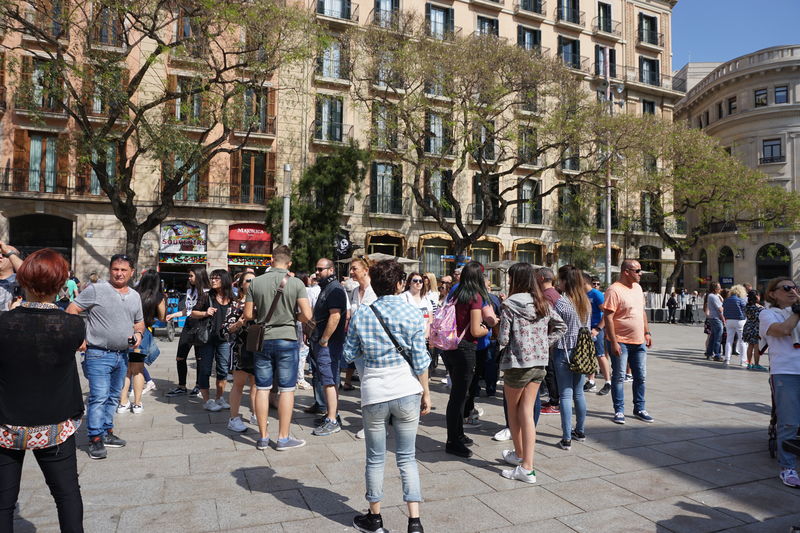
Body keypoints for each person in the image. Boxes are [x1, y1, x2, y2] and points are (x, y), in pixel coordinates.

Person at [343, 260, 431, 533]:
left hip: (374, 391)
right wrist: (426, 393)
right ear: (400, 284)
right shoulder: (412, 313)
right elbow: (421, 360)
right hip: (407, 389)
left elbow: (348, 354)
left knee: (375, 458)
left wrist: (370, 350)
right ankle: (414, 522)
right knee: (407, 458)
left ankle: (375, 518)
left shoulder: (362, 314)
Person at [0, 249, 85, 531]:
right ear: (61, 284)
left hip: (6, 425)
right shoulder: (72, 326)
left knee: (3, 503)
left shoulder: (3, 323)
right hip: (55, 426)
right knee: (66, 495)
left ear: (22, 280)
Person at [67, 254, 144, 460]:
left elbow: (139, 322)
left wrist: (138, 334)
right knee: (99, 396)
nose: (119, 273)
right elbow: (72, 309)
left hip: (123, 355)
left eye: (123, 270)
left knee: (114, 396)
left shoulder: (135, 296)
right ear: (110, 270)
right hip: (98, 354)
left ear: (132, 272)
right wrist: (79, 336)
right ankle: (95, 438)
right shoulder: (96, 289)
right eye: (115, 269)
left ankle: (107, 432)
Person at [497, 262, 566, 481]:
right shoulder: (541, 301)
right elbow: (561, 326)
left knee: (514, 411)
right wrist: (544, 343)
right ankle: (524, 461)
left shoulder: (510, 304)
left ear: (515, 279)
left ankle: (524, 463)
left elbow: (503, 338)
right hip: (539, 362)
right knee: (526, 412)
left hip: (517, 363)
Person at [244, 245, 312, 450]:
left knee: (262, 388)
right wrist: (292, 316)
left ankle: (263, 437)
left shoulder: (255, 282)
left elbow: (248, 315)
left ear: (271, 260)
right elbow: (307, 315)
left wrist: (264, 315)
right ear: (289, 263)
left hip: (263, 339)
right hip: (287, 339)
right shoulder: (296, 283)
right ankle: (283, 438)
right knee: (287, 389)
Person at [442, 261, 498, 458]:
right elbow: (475, 330)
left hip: (450, 347)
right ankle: (453, 441)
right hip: (465, 348)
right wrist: (488, 329)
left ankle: (458, 434)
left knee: (458, 394)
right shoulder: (475, 297)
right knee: (459, 396)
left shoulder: (456, 293)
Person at [758, 277, 800, 488]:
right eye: (786, 288)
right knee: (789, 422)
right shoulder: (768, 314)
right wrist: (797, 312)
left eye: (795, 287)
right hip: (786, 372)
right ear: (773, 293)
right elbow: (783, 330)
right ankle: (788, 467)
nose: (792, 291)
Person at [603, 259, 653, 425]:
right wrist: (614, 341)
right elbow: (608, 317)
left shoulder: (638, 288)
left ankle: (639, 408)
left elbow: (642, 312)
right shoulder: (614, 290)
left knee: (640, 376)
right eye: (637, 271)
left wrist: (647, 332)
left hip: (639, 341)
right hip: (621, 341)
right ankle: (619, 410)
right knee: (618, 377)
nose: (640, 274)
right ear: (626, 272)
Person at [553, 265, 591, 450]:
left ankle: (566, 438)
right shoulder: (585, 301)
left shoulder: (561, 303)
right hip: (583, 351)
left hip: (564, 350)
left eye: (559, 279)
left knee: (565, 395)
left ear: (565, 281)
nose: (557, 283)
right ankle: (580, 431)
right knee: (579, 393)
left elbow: (553, 326)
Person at [309, 257, 348, 437]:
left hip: (328, 344)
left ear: (331, 270)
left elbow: (335, 316)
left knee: (329, 381)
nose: (317, 272)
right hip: (323, 342)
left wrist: (324, 339)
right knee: (328, 380)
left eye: (320, 269)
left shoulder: (335, 289)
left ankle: (332, 420)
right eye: (316, 269)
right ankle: (332, 415)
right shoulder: (328, 288)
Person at [117, 270, 165, 414]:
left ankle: (123, 402)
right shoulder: (157, 296)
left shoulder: (131, 293)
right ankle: (137, 404)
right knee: (137, 370)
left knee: (126, 369)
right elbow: (162, 317)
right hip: (142, 334)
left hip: (125, 333)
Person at [191, 269, 238, 411]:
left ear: (225, 280)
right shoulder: (206, 296)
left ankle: (219, 398)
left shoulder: (232, 298)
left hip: (224, 339)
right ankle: (207, 401)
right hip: (207, 339)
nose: (213, 281)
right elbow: (193, 313)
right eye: (212, 278)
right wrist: (205, 313)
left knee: (223, 370)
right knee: (205, 369)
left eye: (217, 278)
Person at [165, 266, 210, 397]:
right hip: (188, 325)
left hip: (201, 326)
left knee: (199, 358)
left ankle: (199, 386)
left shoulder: (207, 292)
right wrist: (174, 315)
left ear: (199, 276)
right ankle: (181, 386)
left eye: (191, 276)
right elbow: (188, 310)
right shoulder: (190, 290)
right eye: (189, 276)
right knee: (180, 357)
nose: (189, 278)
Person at [227, 272, 258, 432]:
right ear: (240, 284)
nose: (252, 283)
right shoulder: (235, 304)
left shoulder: (261, 302)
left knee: (256, 384)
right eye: (248, 280)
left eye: (255, 280)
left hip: (257, 347)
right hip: (240, 348)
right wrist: (239, 323)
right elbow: (226, 329)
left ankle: (255, 414)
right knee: (239, 384)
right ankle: (234, 418)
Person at [343, 256, 376, 391]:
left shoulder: (375, 290)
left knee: (372, 379)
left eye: (354, 269)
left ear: (365, 270)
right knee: (363, 379)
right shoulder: (355, 291)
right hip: (358, 343)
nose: (351, 272)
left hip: (373, 342)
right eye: (351, 269)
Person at [535, 267, 561, 415]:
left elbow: (546, 319)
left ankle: (554, 402)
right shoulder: (555, 293)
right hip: (552, 338)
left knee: (550, 371)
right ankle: (553, 400)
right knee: (551, 371)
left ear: (541, 278)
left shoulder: (546, 296)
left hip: (548, 338)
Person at [583, 274, 611, 396]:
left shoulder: (596, 294)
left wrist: (598, 328)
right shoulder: (584, 294)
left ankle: (608, 382)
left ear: (584, 282)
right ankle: (591, 381)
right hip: (587, 328)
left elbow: (607, 313)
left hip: (596, 329)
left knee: (600, 355)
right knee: (590, 355)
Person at [402, 272, 434, 339]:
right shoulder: (403, 297)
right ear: (409, 283)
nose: (418, 283)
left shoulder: (426, 299)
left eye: (420, 281)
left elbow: (430, 320)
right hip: (408, 337)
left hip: (424, 338)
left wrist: (425, 336)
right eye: (415, 281)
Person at [723, 284, 747, 366]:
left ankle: (727, 359)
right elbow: (745, 308)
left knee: (729, 340)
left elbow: (724, 308)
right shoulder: (740, 300)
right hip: (739, 320)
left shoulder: (726, 300)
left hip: (729, 320)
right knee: (742, 341)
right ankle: (743, 361)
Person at [743, 290, 766, 371]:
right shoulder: (760, 308)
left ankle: (749, 363)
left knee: (750, 345)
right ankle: (756, 364)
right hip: (756, 328)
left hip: (748, 327)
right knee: (757, 346)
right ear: (756, 297)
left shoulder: (747, 306)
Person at [0, 241, 23, 313]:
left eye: (4, 255)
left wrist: (8, 252)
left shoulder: (21, 280)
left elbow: (28, 273)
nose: (0, 256)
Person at [704, 282, 724, 361]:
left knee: (712, 337)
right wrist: (723, 319)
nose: (720, 289)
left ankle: (709, 353)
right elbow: (720, 309)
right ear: (715, 289)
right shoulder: (714, 297)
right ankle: (717, 355)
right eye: (719, 288)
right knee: (718, 337)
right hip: (716, 318)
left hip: (713, 318)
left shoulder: (711, 296)